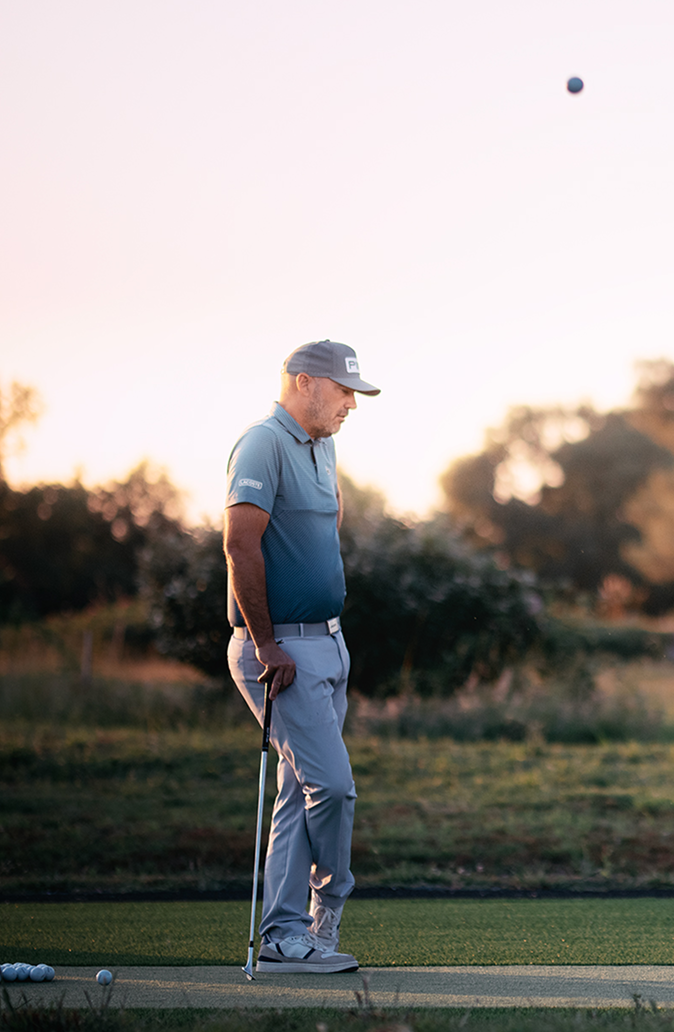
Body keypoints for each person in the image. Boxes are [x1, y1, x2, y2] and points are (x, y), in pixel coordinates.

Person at [224, 340, 380, 974]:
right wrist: (266, 641)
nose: (350, 404)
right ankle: (320, 913)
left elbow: (327, 529)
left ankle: (285, 938)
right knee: (333, 788)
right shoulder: (262, 442)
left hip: (328, 642)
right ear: (305, 382)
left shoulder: (325, 445)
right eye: (344, 391)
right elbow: (240, 545)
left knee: (299, 792)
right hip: (280, 649)